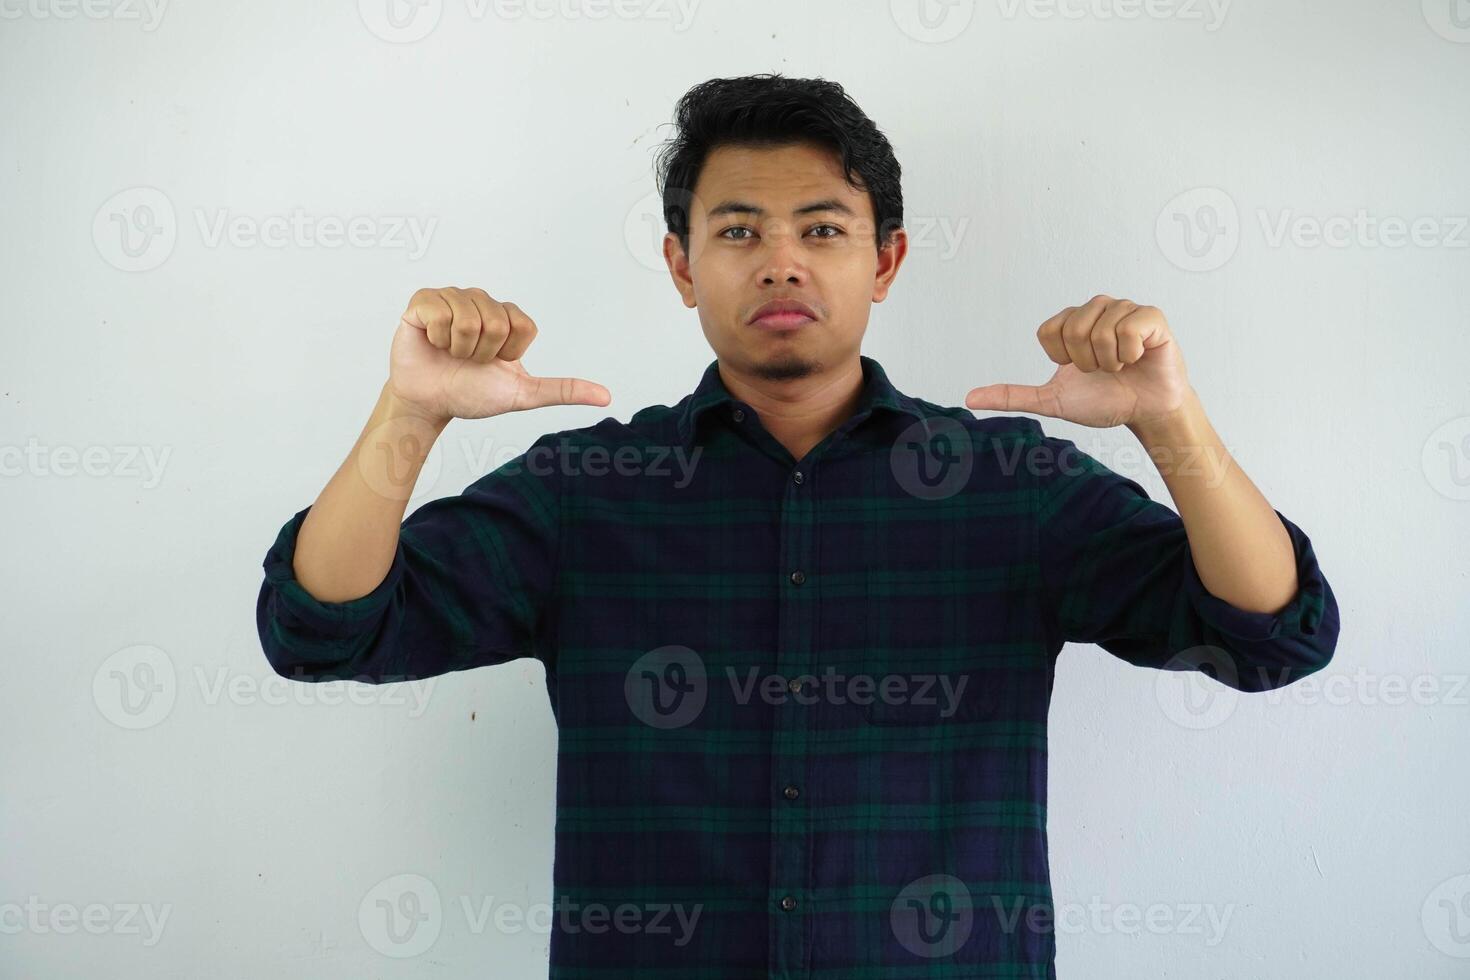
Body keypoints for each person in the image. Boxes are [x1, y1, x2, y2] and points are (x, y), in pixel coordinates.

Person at [256, 73, 1339, 979]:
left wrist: (1169, 421)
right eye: (739, 231)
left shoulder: (1008, 488)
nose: (782, 261)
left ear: (886, 261)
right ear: (683, 265)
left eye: (823, 228)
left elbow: (1272, 632)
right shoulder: (590, 491)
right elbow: (322, 627)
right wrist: (414, 412)